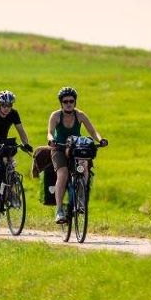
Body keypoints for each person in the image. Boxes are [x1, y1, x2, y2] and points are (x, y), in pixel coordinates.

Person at [47, 86, 108, 224]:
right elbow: (49, 132)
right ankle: (59, 210)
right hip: (60, 148)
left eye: (71, 101)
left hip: (76, 148)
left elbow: (93, 132)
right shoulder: (56, 116)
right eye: (65, 101)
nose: (69, 104)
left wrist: (101, 139)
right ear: (61, 103)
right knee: (62, 173)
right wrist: (51, 140)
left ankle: (81, 197)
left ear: (75, 102)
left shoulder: (80, 115)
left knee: (84, 166)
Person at [0, 90, 33, 219]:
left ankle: (11, 192)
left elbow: (20, 130)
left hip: (3, 144)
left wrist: (26, 143)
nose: (6, 108)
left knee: (10, 166)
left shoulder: (13, 114)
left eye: (9, 105)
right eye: (4, 105)